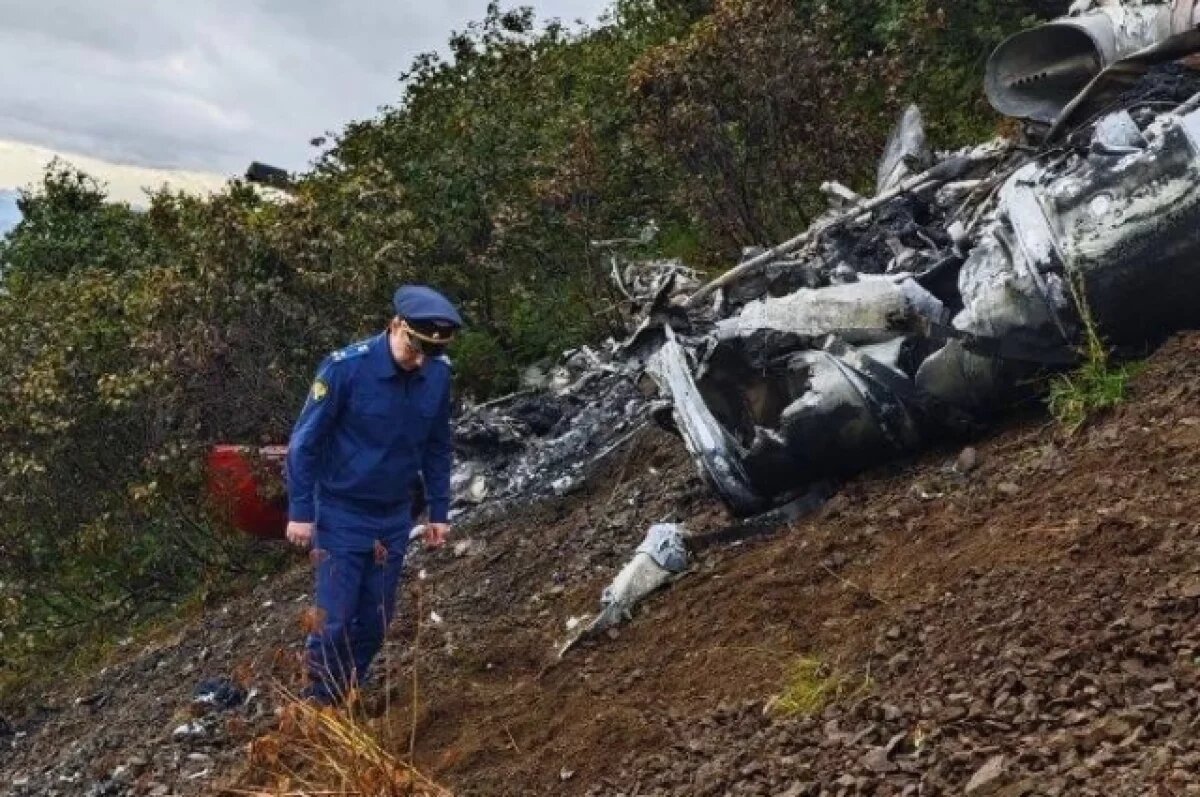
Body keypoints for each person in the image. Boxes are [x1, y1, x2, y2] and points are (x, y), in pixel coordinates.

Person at [284, 284, 461, 705]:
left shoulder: (437, 375)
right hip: (342, 512)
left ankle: (345, 689)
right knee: (334, 621)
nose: (417, 358)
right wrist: (301, 510)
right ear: (396, 325)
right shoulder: (345, 369)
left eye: (427, 353)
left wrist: (439, 510)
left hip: (394, 515)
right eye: (413, 346)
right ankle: (318, 706)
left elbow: (438, 445)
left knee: (377, 622)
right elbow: (303, 444)